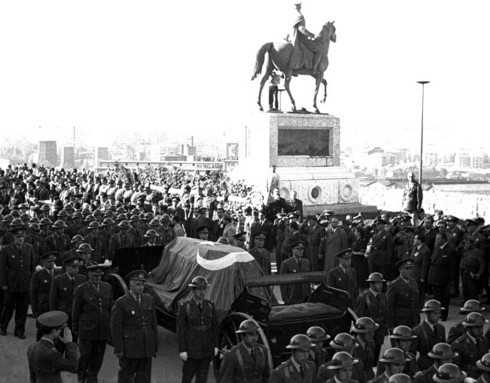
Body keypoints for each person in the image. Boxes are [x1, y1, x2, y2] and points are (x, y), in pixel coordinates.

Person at [111, 269, 158, 383]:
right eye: (137, 284)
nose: (141, 287)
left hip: (146, 348)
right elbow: (116, 328)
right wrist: (119, 349)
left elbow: (153, 325)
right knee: (126, 378)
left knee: (144, 379)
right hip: (129, 350)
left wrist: (154, 345)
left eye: (142, 284)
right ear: (130, 285)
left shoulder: (148, 300)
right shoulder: (121, 302)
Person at [72, 261, 113, 383]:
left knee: (98, 356)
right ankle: (81, 377)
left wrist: (109, 327)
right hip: (87, 329)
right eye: (95, 276)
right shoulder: (81, 289)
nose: (97, 278)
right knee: (85, 356)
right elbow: (76, 311)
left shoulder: (107, 287)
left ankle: (93, 377)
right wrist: (75, 329)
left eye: (100, 276)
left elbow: (109, 309)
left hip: (102, 329)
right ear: (89, 274)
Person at [177, 276, 219, 383]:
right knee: (187, 377)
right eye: (199, 289)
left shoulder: (210, 305)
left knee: (202, 379)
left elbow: (214, 327)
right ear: (193, 290)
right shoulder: (185, 306)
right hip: (191, 350)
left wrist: (215, 346)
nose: (202, 292)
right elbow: (180, 329)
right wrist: (182, 350)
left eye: (204, 289)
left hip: (206, 350)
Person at [0, 224, 35, 338]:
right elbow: (1, 269)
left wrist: (31, 282)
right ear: (13, 237)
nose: (20, 239)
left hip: (24, 283)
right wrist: (3, 283)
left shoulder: (29, 248)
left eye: (22, 236)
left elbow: (32, 267)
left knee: (22, 309)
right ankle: (2, 327)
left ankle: (19, 330)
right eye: (17, 236)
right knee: (8, 308)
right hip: (11, 284)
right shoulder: (6, 249)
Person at [27, 310, 78, 382]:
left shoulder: (32, 347)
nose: (60, 331)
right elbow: (73, 367)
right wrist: (69, 343)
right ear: (54, 331)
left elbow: (33, 376)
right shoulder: (52, 353)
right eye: (59, 329)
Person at [49, 254, 87, 342]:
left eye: (78, 267)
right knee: (61, 342)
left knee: (73, 342)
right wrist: (55, 318)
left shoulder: (82, 278)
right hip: (64, 315)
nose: (76, 270)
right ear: (67, 267)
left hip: (77, 316)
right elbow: (53, 300)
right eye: (74, 267)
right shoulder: (58, 280)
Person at [219, 319, 270, 383]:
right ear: (242, 336)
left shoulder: (262, 351)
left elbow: (266, 376)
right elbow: (226, 380)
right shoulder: (231, 355)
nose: (254, 337)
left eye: (256, 334)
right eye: (251, 334)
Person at [355, 272, 387, 362]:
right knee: (367, 355)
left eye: (381, 283)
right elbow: (358, 317)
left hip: (379, 329)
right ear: (371, 284)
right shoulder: (363, 297)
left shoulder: (383, 296)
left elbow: (385, 313)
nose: (380, 285)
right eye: (377, 283)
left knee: (376, 354)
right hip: (368, 330)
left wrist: (385, 328)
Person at [450, 312, 490, 379]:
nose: (481, 330)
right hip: (469, 377)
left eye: (481, 326)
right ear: (469, 328)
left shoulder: (484, 340)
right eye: (477, 327)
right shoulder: (458, 344)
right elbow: (456, 367)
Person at [410, 300, 447, 371]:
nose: (438, 315)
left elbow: (444, 347)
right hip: (425, 367)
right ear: (427, 313)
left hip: (440, 366)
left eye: (439, 313)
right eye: (435, 313)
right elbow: (412, 355)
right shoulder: (417, 330)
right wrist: (416, 371)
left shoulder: (441, 328)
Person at [386, 259, 420, 330]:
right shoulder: (394, 285)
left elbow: (416, 303)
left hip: (413, 320)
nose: (410, 271)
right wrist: (391, 325)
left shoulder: (413, 283)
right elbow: (389, 306)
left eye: (411, 268)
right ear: (400, 270)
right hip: (400, 321)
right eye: (407, 268)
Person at [289, 2, 322, 73]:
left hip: (291, 38)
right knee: (319, 51)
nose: (300, 6)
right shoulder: (300, 16)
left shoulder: (292, 15)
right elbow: (301, 28)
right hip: (301, 39)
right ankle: (314, 70)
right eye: (299, 5)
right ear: (299, 7)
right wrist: (310, 35)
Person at [427, 233, 452, 321]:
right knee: (436, 297)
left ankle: (444, 315)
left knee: (443, 298)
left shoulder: (449, 250)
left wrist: (452, 282)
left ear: (444, 239)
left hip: (443, 278)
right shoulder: (436, 248)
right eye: (436, 239)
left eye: (438, 239)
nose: (436, 240)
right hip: (434, 276)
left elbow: (452, 267)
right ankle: (437, 314)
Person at [279, 238, 311, 304]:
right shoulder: (286, 263)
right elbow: (283, 282)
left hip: (304, 295)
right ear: (293, 250)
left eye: (302, 249)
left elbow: (308, 280)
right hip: (292, 295)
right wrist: (285, 298)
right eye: (298, 249)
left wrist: (309, 294)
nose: (301, 251)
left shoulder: (306, 262)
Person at [460, 236, 485, 301]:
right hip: (465, 272)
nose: (466, 245)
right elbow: (457, 253)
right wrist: (460, 246)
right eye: (465, 243)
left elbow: (482, 264)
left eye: (467, 243)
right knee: (465, 291)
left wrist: (479, 273)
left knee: (472, 292)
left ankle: (474, 306)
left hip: (472, 273)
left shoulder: (477, 252)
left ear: (472, 243)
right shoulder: (465, 250)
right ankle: (466, 306)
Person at [410, 234, 431, 306]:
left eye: (415, 239)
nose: (414, 240)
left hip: (419, 273)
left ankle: (420, 305)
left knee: (420, 291)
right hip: (413, 272)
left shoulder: (425, 250)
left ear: (419, 240)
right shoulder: (415, 248)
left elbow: (425, 265)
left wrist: (423, 277)